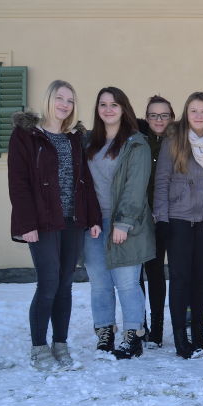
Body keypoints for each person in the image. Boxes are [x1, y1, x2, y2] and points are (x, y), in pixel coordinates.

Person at [8, 80, 101, 370]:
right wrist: (26, 223)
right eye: (60, 98)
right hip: (42, 222)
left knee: (64, 285)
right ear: (49, 99)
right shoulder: (26, 136)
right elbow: (18, 182)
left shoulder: (74, 138)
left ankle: (60, 343)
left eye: (70, 100)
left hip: (72, 221)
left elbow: (85, 182)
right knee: (48, 284)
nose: (65, 104)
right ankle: (39, 346)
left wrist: (94, 218)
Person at [84, 87, 155, 359]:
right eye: (103, 104)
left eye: (114, 104)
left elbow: (135, 187)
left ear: (124, 109)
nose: (108, 109)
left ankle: (133, 335)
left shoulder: (136, 143)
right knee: (99, 283)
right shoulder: (89, 142)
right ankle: (104, 333)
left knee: (127, 283)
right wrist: (90, 218)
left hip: (127, 223)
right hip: (93, 225)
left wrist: (123, 223)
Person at [154, 91, 203, 359]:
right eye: (193, 110)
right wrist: (162, 218)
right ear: (186, 113)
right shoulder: (174, 140)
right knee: (181, 280)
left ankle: (199, 333)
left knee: (201, 280)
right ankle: (181, 336)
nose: (198, 116)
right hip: (179, 218)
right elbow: (162, 181)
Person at [138, 95, 173, 348]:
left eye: (164, 115)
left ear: (171, 117)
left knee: (157, 272)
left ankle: (158, 328)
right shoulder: (139, 141)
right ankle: (140, 326)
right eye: (153, 115)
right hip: (140, 216)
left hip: (169, 216)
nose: (158, 120)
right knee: (137, 273)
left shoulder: (178, 141)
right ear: (146, 117)